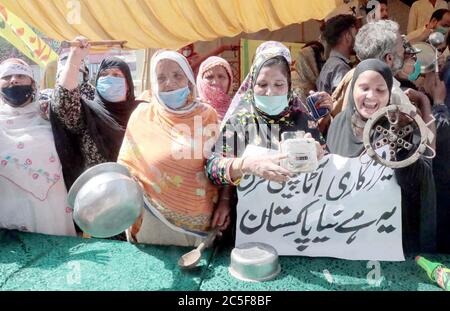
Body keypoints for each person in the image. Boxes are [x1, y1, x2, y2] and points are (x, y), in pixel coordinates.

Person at [118, 50, 230, 246]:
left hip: (198, 220)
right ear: (154, 83)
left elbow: (221, 161)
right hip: (151, 217)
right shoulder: (143, 115)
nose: (169, 83)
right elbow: (126, 164)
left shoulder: (206, 115)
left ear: (189, 80)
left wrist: (224, 202)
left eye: (177, 75)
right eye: (161, 78)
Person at [327, 59, 437, 253]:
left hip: (387, 235)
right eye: (364, 88)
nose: (371, 96)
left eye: (380, 90)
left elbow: (416, 184)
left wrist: (402, 150)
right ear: (353, 89)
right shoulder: (337, 126)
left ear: (389, 94)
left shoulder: (401, 126)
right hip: (343, 233)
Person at [205, 41, 328, 188]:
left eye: (279, 84)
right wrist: (246, 165)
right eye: (262, 85)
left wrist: (318, 153)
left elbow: (328, 167)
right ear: (252, 85)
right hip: (252, 209)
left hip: (299, 207)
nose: (270, 92)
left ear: (289, 85)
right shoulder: (239, 122)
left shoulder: (303, 120)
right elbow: (212, 170)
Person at [51, 37, 141, 189]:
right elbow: (64, 103)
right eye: (104, 75)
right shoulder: (88, 112)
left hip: (140, 198)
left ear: (128, 85)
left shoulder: (143, 113)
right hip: (98, 198)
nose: (109, 78)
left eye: (117, 75)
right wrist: (75, 58)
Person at [0, 58, 75, 236]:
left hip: (52, 211)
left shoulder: (50, 115)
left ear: (33, 83)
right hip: (9, 214)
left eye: (20, 75)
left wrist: (74, 59)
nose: (14, 80)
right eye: (7, 76)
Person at [317, 14, 357, 94]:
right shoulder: (340, 68)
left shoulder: (329, 64)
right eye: (356, 34)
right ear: (347, 36)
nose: (358, 39)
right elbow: (342, 102)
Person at [196, 56, 233, 121]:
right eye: (209, 77)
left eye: (221, 76)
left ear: (229, 81)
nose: (216, 82)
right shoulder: (190, 112)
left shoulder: (237, 109)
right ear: (200, 81)